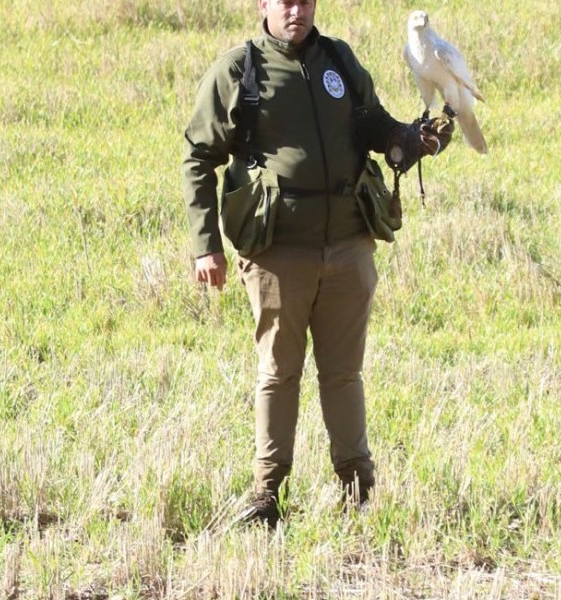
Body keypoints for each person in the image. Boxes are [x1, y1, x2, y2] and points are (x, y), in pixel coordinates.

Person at [182, 0, 453, 527]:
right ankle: (267, 495)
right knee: (279, 373)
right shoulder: (240, 70)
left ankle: (358, 488)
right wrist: (205, 245)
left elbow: (372, 123)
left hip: (350, 244)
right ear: (262, 5)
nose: (295, 10)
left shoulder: (339, 61)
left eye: (304, 1)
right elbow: (199, 156)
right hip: (277, 252)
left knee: (344, 373)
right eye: (284, 1)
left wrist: (406, 139)